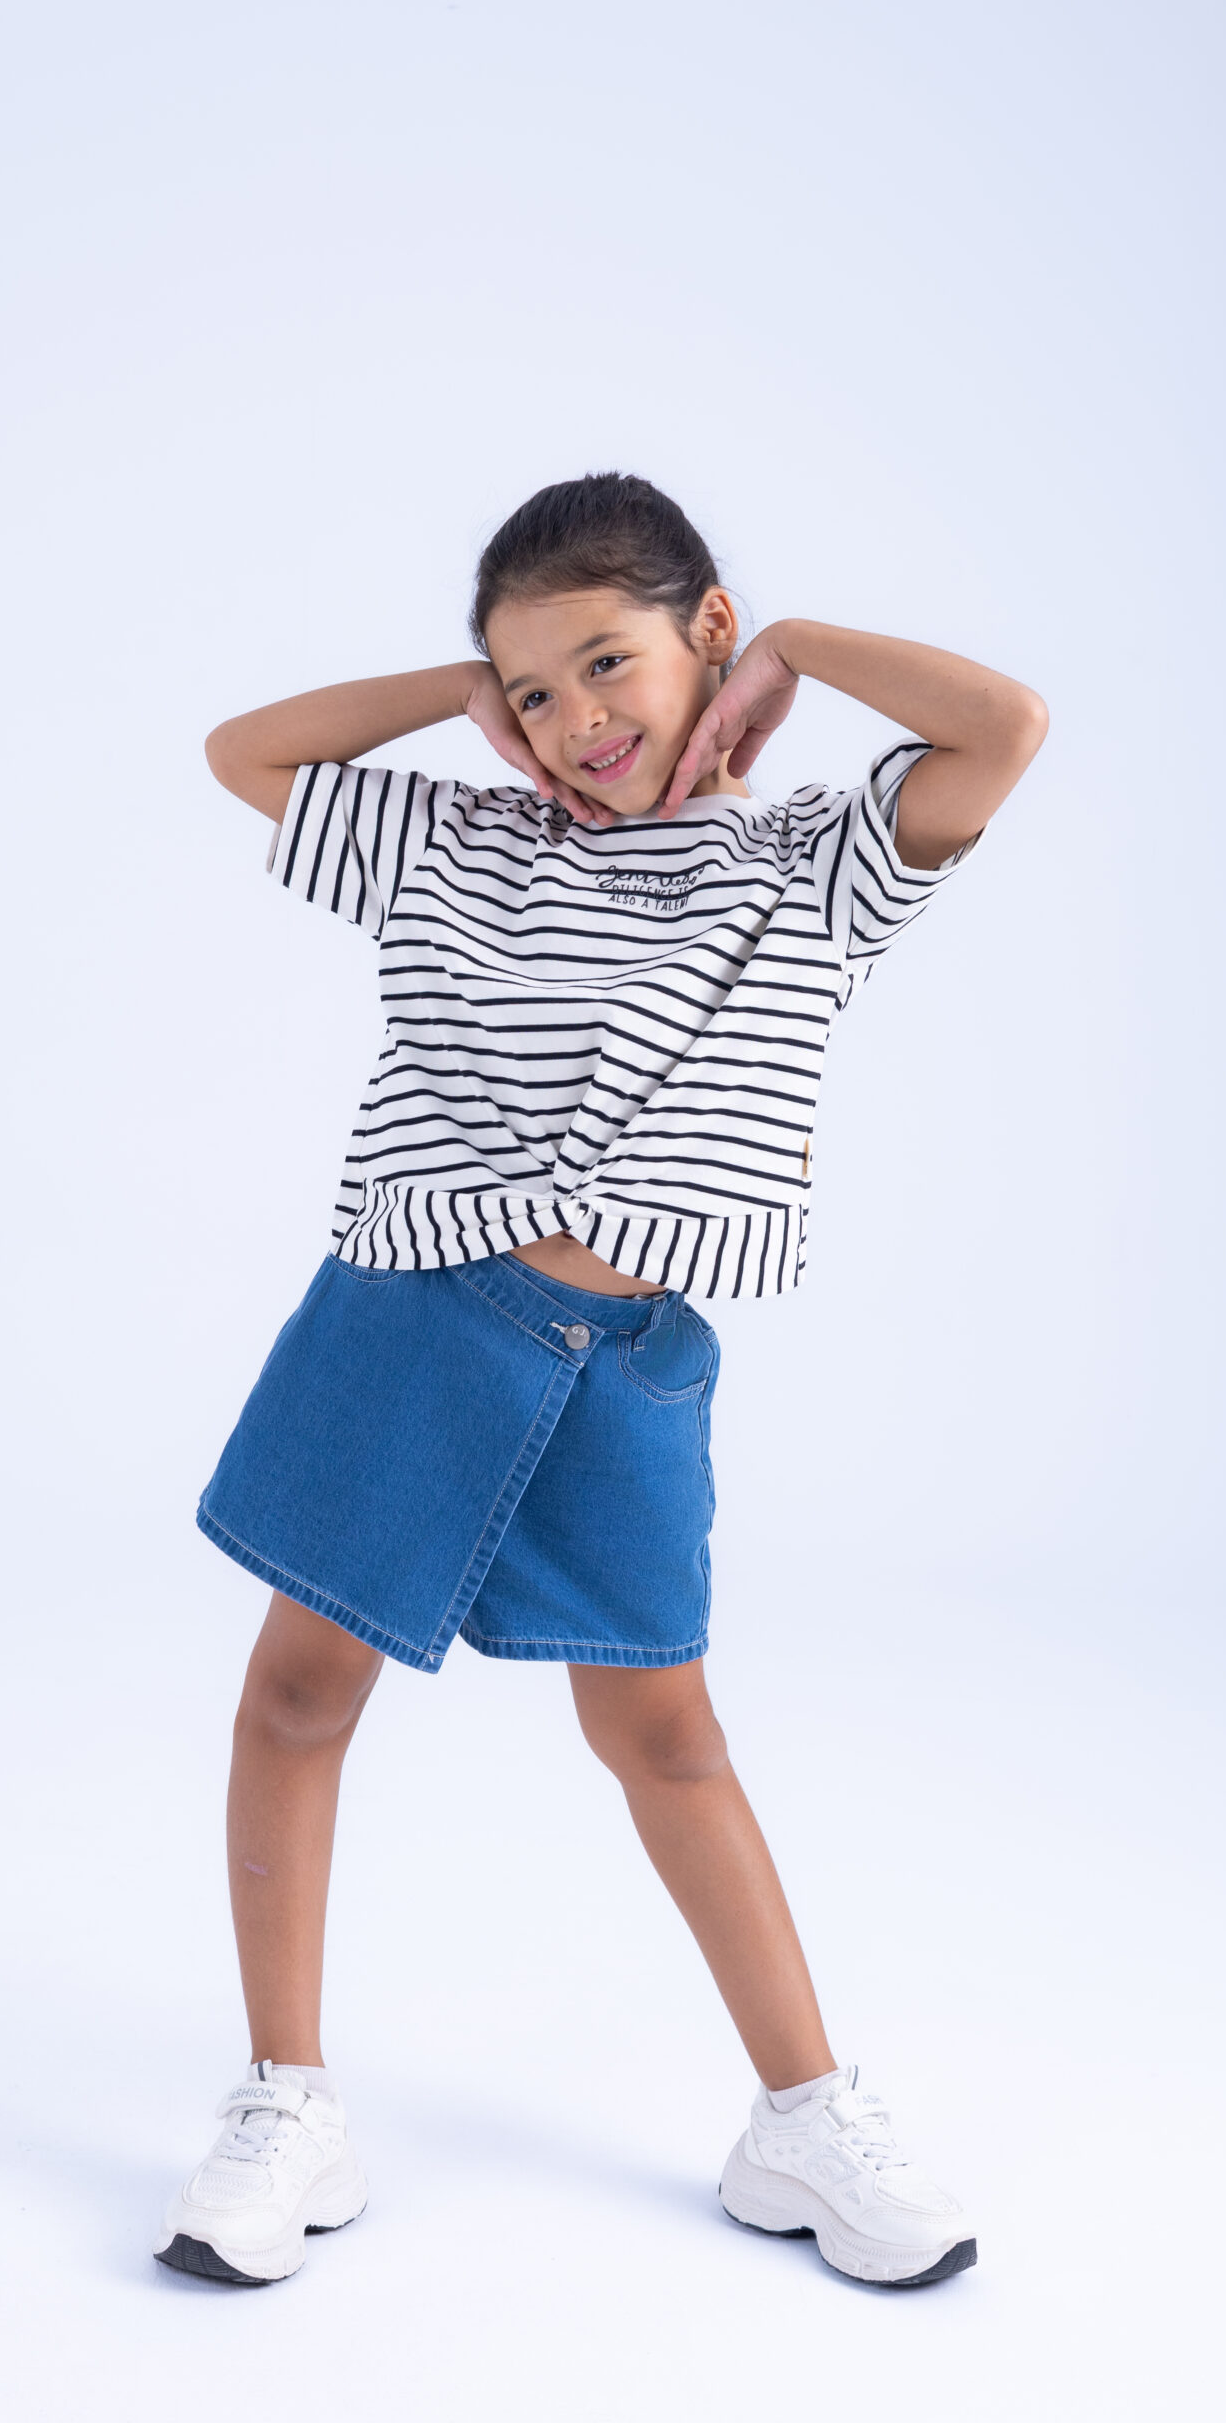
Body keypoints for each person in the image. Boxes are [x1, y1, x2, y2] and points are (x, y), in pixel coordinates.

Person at [154, 472, 1046, 2291]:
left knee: (668, 1735)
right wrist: (454, 696)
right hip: (413, 1313)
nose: (575, 720)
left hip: (629, 1361)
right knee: (299, 1695)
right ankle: (286, 2102)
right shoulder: (460, 843)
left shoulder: (813, 863)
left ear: (707, 629)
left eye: (607, 664)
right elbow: (244, 753)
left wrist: (801, 649)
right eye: (535, 692)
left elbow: (1005, 726)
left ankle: (802, 2117)